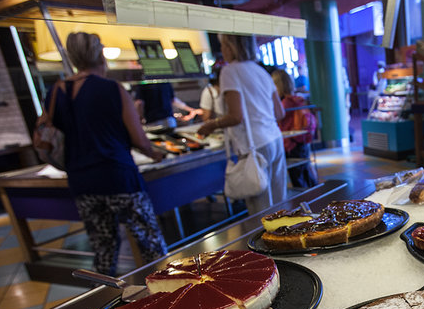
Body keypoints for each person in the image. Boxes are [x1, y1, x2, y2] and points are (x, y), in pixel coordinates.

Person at [39, 32, 168, 276]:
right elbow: (138, 139)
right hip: (118, 176)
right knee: (150, 243)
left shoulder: (57, 91)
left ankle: (102, 299)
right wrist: (155, 154)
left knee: (104, 248)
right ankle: (166, 293)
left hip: (82, 181)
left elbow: (49, 129)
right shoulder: (112, 89)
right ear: (100, 55)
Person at [197, 34, 287, 216]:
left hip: (256, 146)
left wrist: (211, 125)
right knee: (279, 205)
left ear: (230, 46)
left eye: (223, 45)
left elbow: (236, 116)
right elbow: (279, 113)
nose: (222, 50)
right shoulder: (260, 71)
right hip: (275, 139)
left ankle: (268, 243)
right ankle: (286, 240)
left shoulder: (230, 72)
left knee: (261, 212)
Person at [272, 68, 318, 189]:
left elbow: (276, 118)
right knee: (306, 172)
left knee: (298, 178)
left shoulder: (284, 103)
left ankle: (307, 201)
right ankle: (315, 197)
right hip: (301, 140)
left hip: (291, 143)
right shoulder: (297, 99)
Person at [133, 82, 200, 127]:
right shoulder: (165, 82)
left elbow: (139, 103)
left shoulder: (142, 85)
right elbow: (173, 100)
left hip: (152, 121)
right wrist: (191, 109)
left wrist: (140, 118)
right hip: (169, 120)